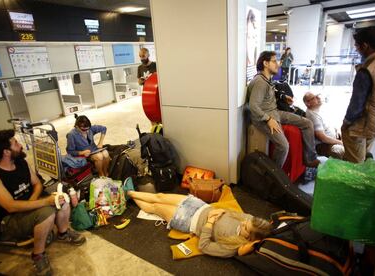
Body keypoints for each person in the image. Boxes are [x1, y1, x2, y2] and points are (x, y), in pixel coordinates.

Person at [0, 130, 86, 276]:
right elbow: (10, 206)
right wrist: (44, 202)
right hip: (9, 219)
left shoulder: (20, 162)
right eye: (15, 143)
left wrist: (32, 202)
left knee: (62, 196)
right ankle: (38, 255)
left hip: (29, 204)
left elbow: (37, 184)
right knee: (47, 213)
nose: (20, 145)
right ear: (6, 152)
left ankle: (63, 232)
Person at [124, 184, 272, 258]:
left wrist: (209, 224)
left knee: (155, 207)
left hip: (188, 221)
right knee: (160, 196)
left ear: (249, 238)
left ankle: (128, 195)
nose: (244, 222)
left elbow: (204, 246)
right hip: (198, 205)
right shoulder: (250, 219)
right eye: (248, 220)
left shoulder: (231, 247)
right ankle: (129, 192)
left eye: (245, 227)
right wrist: (222, 211)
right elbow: (233, 213)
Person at [247, 51, 319, 168]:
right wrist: (268, 119)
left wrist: (283, 97)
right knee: (283, 146)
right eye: (274, 61)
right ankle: (274, 177)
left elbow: (270, 94)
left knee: (307, 123)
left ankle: (310, 159)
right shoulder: (260, 82)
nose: (278, 64)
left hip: (275, 113)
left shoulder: (266, 80)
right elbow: (253, 106)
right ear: (265, 63)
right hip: (264, 117)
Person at [341, 26, 375, 163]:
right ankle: (365, 160)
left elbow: (356, 105)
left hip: (369, 119)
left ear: (365, 46)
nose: (357, 49)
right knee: (366, 146)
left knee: (353, 155)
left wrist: (346, 122)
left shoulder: (368, 69)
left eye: (357, 46)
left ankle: (357, 171)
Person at [303, 92, 344, 159]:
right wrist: (340, 142)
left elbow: (331, 125)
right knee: (340, 150)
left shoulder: (319, 110)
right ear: (308, 103)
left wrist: (338, 131)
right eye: (314, 98)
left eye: (316, 96)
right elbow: (322, 138)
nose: (318, 97)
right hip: (324, 145)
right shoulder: (313, 116)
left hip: (333, 139)